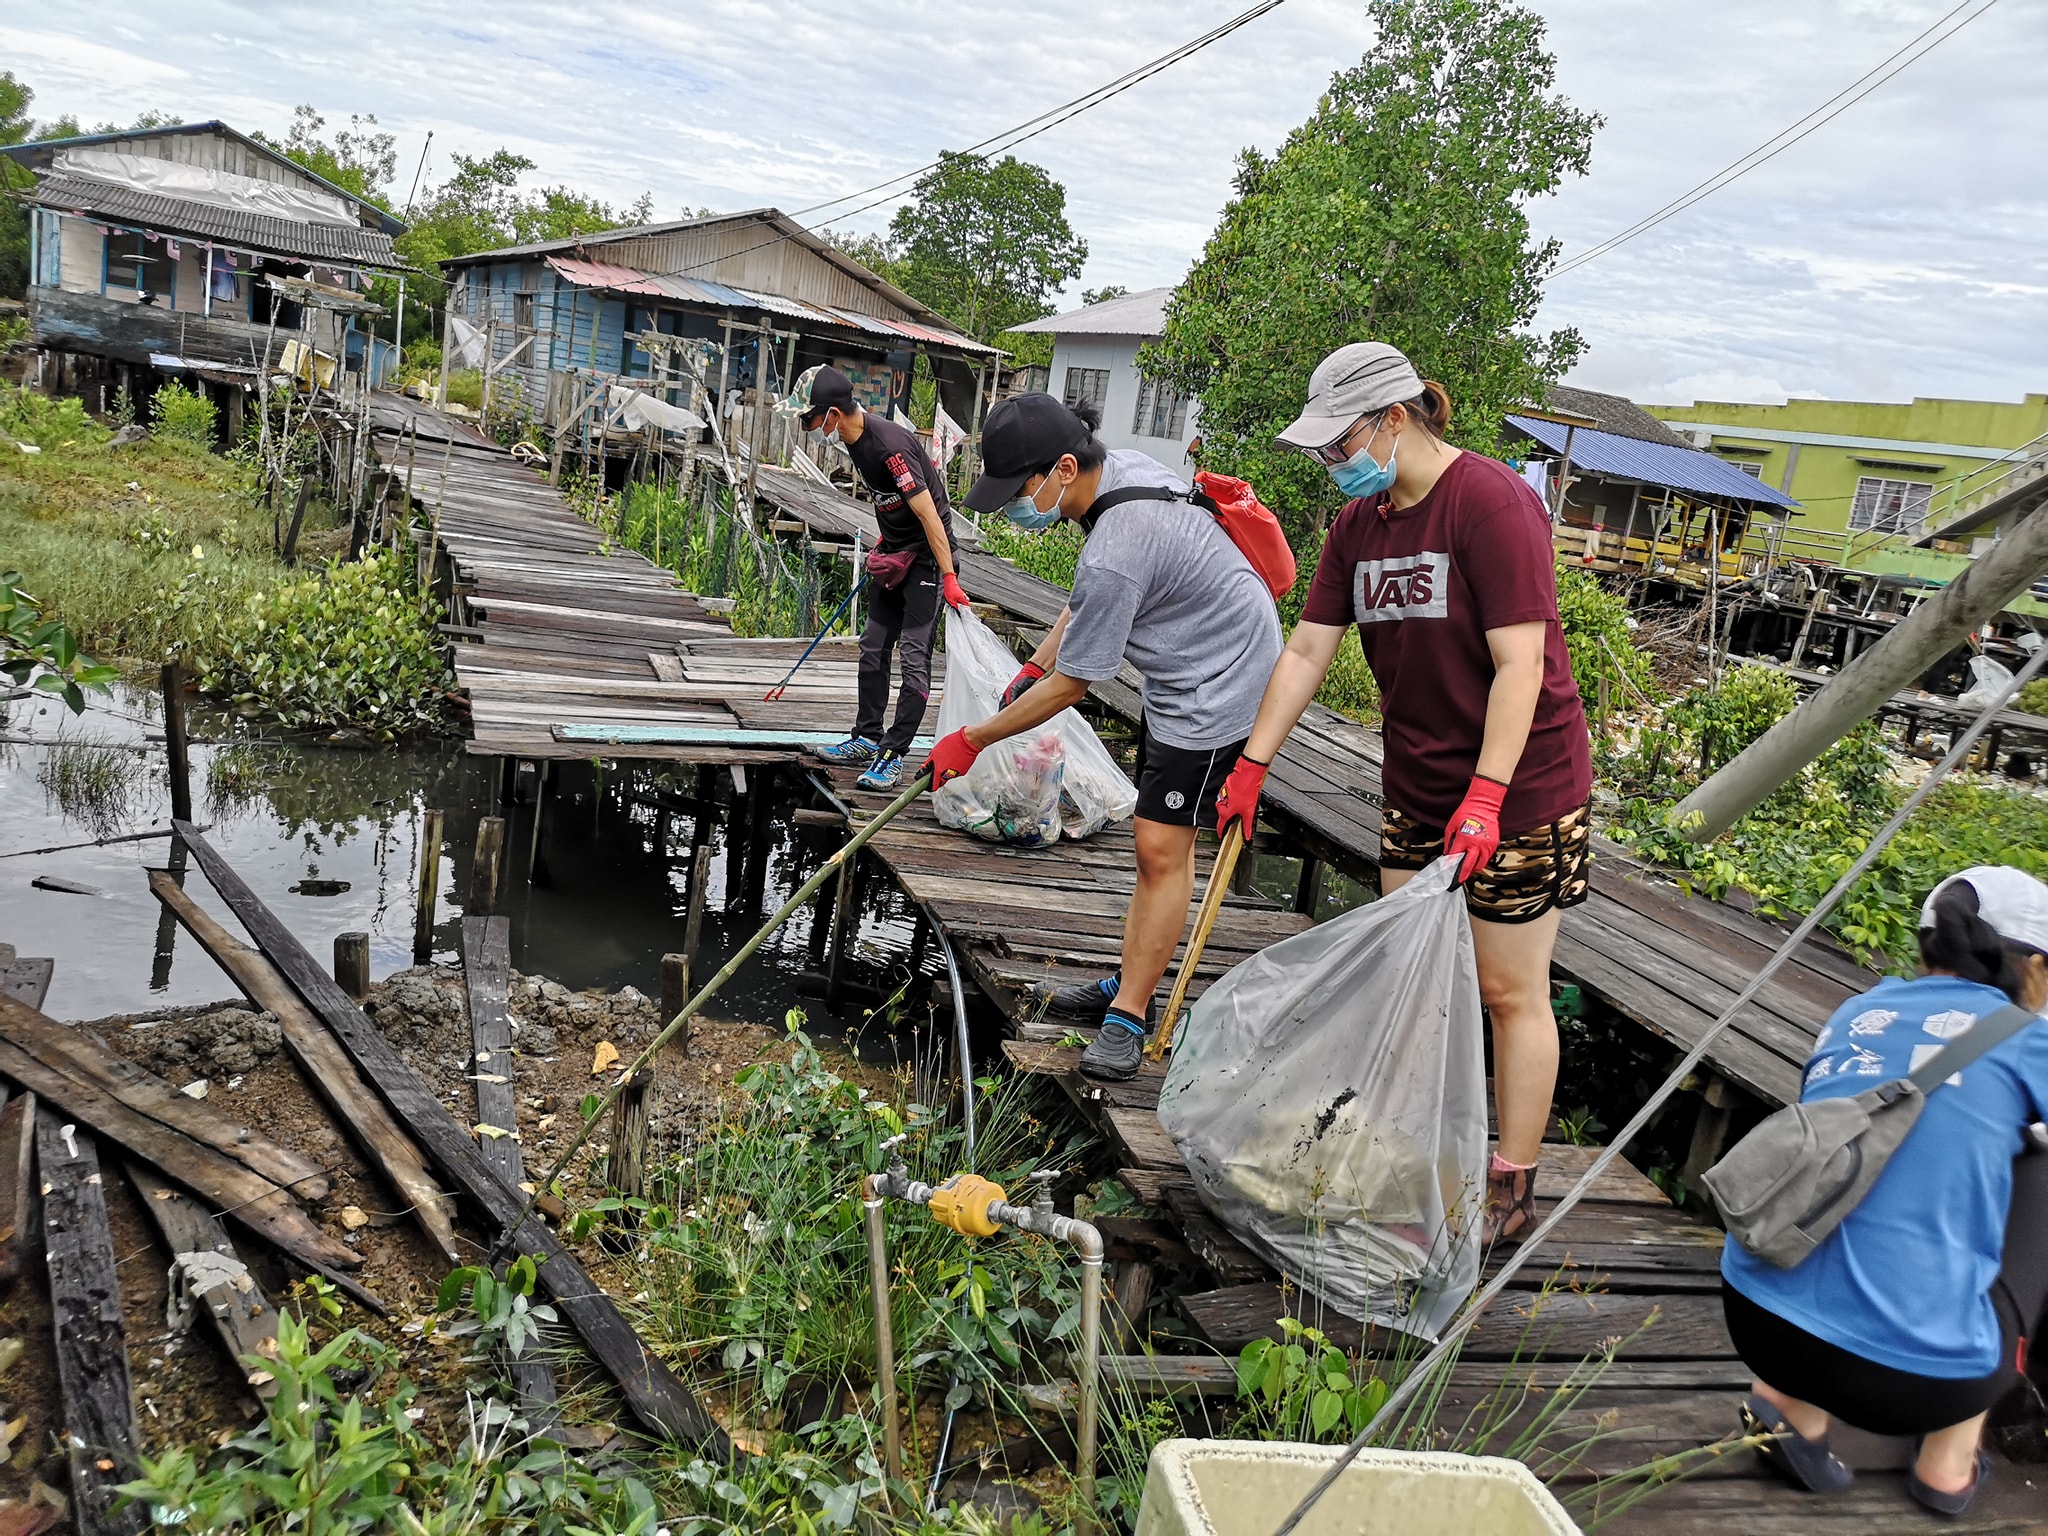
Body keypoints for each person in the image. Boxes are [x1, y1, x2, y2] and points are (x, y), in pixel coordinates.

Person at [1218, 341, 1593, 1246]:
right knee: (1414, 978)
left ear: (1393, 419)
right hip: (1417, 785)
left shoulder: (1492, 503)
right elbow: (1309, 649)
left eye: (1337, 443)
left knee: (1509, 992)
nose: (1329, 463)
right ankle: (1416, 1153)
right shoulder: (1358, 528)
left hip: (1524, 788)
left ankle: (1508, 1185)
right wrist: (1253, 762)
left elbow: (1520, 664)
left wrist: (1489, 798)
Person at [924, 391, 1284, 1080]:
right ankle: (1127, 983)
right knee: (1156, 843)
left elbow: (1073, 689)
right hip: (1185, 662)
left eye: (1016, 491)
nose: (1012, 509)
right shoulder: (1117, 473)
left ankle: (1130, 1013)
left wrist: (972, 739)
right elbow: (1086, 603)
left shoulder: (1117, 543)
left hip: (1222, 683)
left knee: (1158, 850)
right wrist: (1033, 663)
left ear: (1063, 467)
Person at [1718, 866, 2048, 1516]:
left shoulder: (1859, 1010)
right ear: (2034, 965)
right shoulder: (2031, 1039)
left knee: (1868, 1163)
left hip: (1755, 1318)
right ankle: (1945, 1465)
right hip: (1915, 1386)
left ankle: (1788, 1408)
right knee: (2040, 1172)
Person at [788, 365, 971, 791]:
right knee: (872, 648)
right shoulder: (853, 442)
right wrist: (885, 542)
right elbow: (891, 506)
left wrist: (948, 576)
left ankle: (892, 755)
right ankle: (867, 737)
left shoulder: (890, 447)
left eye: (808, 419)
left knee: (913, 659)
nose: (806, 427)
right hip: (893, 556)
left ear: (832, 414)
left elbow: (928, 515)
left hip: (927, 562)